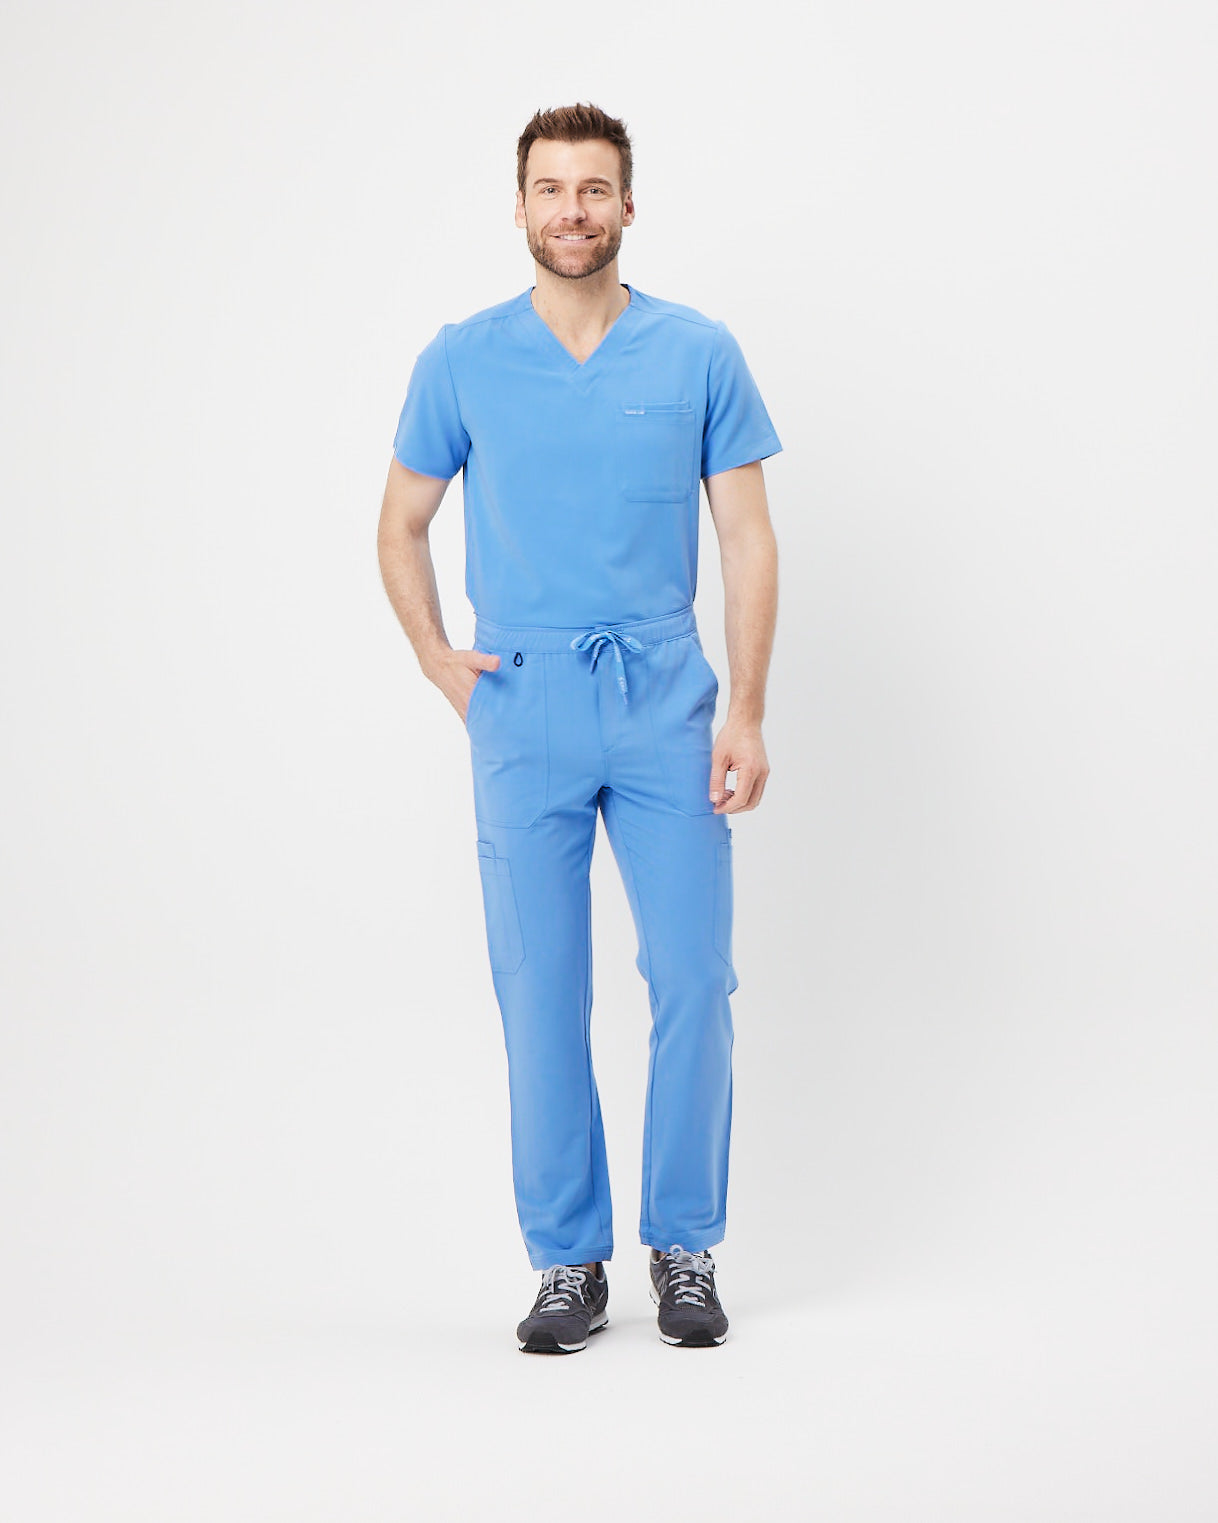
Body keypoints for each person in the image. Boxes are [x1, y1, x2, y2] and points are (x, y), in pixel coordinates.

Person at [377, 103, 782, 1353]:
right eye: (551, 189)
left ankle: (684, 1242)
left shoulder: (696, 352)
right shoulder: (462, 359)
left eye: (594, 189)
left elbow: (747, 537)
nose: (572, 210)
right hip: (525, 699)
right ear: (520, 207)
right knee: (540, 989)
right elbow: (399, 523)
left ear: (627, 206)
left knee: (694, 976)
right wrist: (441, 661)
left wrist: (747, 709)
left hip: (665, 698)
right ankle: (568, 1260)